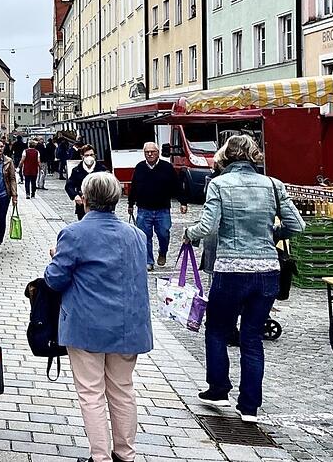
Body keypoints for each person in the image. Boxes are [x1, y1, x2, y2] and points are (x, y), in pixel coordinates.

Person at [183, 135, 304, 423]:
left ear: (226, 157)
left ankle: (219, 388)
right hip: (266, 271)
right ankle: (249, 406)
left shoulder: (219, 185)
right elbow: (296, 224)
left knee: (217, 329)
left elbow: (208, 226)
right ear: (253, 156)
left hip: (232, 269)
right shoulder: (273, 185)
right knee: (252, 337)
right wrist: (273, 235)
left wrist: (189, 234)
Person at [45, 172, 153, 462]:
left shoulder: (75, 233)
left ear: (86, 199)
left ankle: (100, 457)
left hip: (87, 325)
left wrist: (56, 255)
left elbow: (55, 280)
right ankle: (125, 455)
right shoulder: (136, 235)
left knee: (91, 393)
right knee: (122, 390)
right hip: (128, 326)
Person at [127, 142, 188, 270]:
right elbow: (134, 187)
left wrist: (183, 202)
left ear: (158, 152)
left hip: (162, 209)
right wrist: (130, 203)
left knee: (164, 234)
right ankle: (148, 261)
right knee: (145, 237)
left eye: (152, 151)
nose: (150, 154)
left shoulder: (167, 167)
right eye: (147, 152)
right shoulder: (139, 167)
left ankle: (163, 251)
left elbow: (176, 186)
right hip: (144, 209)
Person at [65, 145, 109, 221]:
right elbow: (69, 186)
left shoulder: (102, 169)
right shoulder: (77, 170)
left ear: (95, 156)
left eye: (91, 155)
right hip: (82, 205)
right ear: (82, 156)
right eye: (86, 155)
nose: (89, 157)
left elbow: (109, 186)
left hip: (100, 205)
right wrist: (75, 196)